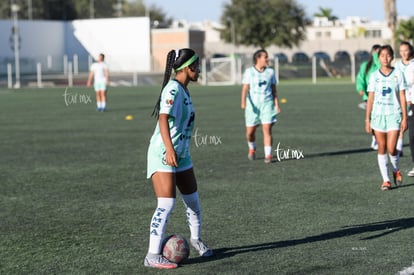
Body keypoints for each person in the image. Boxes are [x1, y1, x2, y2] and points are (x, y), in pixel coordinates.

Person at [144, 48, 213, 269]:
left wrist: (178, 150)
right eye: (198, 66)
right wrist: (169, 149)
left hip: (182, 153)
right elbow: (163, 119)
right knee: (166, 202)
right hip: (163, 152)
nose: (200, 71)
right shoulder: (173, 89)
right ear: (188, 67)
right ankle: (152, 255)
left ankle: (196, 239)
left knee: (192, 199)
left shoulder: (184, 89)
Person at [365, 45, 407, 190]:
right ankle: (386, 180)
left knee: (391, 148)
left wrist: (404, 118)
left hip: (394, 115)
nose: (385, 58)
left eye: (388, 55)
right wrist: (367, 119)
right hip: (378, 116)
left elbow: (402, 95)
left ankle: (395, 169)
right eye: (382, 56)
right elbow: (370, 98)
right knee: (381, 147)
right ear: (378, 58)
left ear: (392, 57)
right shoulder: (374, 76)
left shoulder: (398, 74)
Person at [241, 49, 280, 164]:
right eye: (265, 57)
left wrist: (277, 104)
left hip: (267, 104)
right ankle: (252, 148)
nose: (267, 59)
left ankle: (268, 155)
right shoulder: (249, 72)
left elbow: (274, 90)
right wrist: (243, 102)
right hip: (252, 106)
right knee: (250, 133)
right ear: (258, 58)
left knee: (267, 129)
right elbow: (245, 88)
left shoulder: (271, 72)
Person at [356, 44, 381, 149]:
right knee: (372, 118)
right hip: (369, 96)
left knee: (380, 117)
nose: (377, 54)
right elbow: (360, 78)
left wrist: (377, 57)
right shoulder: (365, 65)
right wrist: (360, 88)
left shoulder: (381, 65)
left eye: (379, 52)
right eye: (375, 52)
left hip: (381, 96)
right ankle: (375, 138)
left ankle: (380, 137)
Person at [394, 41, 414, 157]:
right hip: (400, 97)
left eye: (406, 50)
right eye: (401, 51)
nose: (404, 53)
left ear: (410, 50)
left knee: (409, 125)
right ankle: (399, 147)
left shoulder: (413, 63)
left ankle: (399, 147)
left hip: (411, 99)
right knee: (400, 122)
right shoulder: (397, 65)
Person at [403, 48, 414, 176]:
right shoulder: (410, 66)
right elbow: (406, 84)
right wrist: (408, 99)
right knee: (412, 136)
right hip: (413, 104)